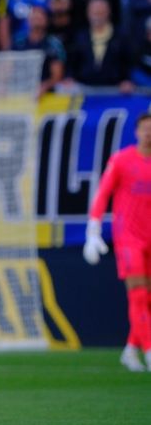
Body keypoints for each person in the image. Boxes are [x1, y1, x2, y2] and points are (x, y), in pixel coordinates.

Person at [83, 113, 151, 372]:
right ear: (136, 131)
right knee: (139, 294)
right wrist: (93, 229)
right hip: (129, 238)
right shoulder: (122, 160)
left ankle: (131, 350)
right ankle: (149, 350)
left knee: (148, 299)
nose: (148, 133)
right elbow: (103, 194)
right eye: (145, 128)